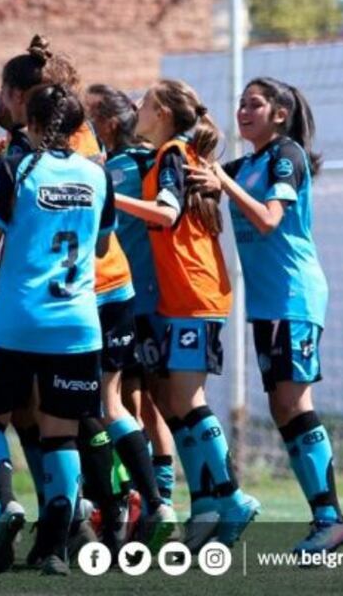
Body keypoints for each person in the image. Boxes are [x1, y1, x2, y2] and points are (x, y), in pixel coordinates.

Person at [0, 83, 114, 577]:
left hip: (17, 320)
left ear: (35, 124)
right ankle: (55, 550)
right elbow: (103, 247)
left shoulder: (17, 169)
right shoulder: (97, 175)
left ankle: (5, 503)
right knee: (61, 437)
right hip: (77, 325)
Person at [188, 77, 343, 555]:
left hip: (293, 295)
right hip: (267, 302)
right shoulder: (247, 163)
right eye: (239, 103)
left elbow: (268, 219)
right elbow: (209, 177)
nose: (242, 111)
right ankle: (325, 517)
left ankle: (331, 518)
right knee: (284, 405)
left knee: (293, 403)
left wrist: (222, 181)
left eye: (253, 104)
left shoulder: (287, 155)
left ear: (279, 114)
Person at [114, 79, 260, 553]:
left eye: (146, 103)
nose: (137, 108)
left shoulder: (172, 153)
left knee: (187, 399)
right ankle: (206, 503)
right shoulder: (177, 153)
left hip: (195, 294)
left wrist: (107, 196)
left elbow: (164, 215)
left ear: (160, 112)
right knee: (177, 403)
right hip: (184, 296)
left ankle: (232, 496)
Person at [87, 84, 179, 551]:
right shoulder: (160, 161)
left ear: (104, 123)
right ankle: (161, 501)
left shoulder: (113, 170)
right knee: (148, 405)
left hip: (121, 300)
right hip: (154, 300)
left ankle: (140, 502)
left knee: (120, 404)